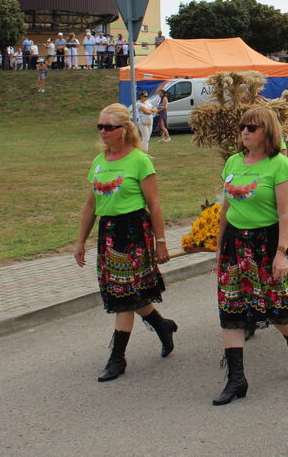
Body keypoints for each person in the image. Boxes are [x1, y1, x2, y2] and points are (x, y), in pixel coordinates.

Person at [212, 107, 288, 405]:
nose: (245, 131)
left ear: (266, 132)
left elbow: (285, 214)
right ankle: (236, 379)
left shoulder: (279, 165)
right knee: (231, 310)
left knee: (277, 308)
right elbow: (227, 208)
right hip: (235, 245)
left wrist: (281, 253)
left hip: (267, 243)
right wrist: (219, 248)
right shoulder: (233, 161)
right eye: (243, 126)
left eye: (252, 128)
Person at [75, 103, 176, 382]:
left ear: (123, 130)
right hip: (108, 233)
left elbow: (154, 204)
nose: (103, 132)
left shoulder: (139, 161)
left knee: (124, 297)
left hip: (133, 232)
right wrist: (80, 241)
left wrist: (161, 241)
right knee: (125, 292)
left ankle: (117, 358)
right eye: (100, 126)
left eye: (109, 127)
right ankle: (161, 325)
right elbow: (90, 204)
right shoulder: (98, 161)